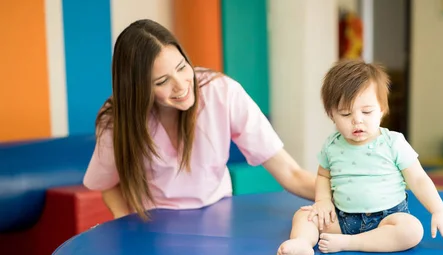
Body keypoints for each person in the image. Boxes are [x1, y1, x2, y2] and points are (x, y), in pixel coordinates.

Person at [83, 19, 315, 220]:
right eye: (162, 81)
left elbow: (291, 174)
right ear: (139, 90)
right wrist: (125, 222)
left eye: (182, 67)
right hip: (154, 226)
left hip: (218, 217)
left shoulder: (221, 92)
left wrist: (343, 193)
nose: (182, 85)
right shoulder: (118, 118)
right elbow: (107, 184)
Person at [276, 59, 443, 255]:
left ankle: (349, 243)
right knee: (304, 216)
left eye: (367, 111)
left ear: (382, 109)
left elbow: (418, 179)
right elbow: (322, 175)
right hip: (343, 219)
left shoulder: (393, 142)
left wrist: (438, 212)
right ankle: (303, 244)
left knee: (412, 230)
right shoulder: (332, 145)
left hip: (387, 219)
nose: (357, 120)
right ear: (332, 115)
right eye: (346, 113)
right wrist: (322, 201)